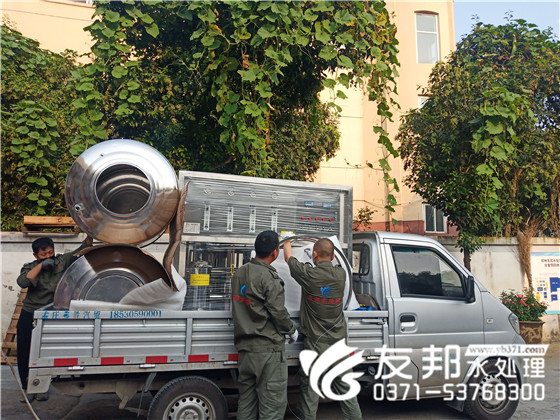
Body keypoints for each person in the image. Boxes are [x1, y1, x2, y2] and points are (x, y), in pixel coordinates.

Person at [284, 238, 362, 420]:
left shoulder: (309, 275)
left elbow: (288, 258)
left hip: (315, 343)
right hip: (338, 342)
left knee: (310, 390)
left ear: (314, 254)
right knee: (347, 390)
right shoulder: (341, 274)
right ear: (333, 256)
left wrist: (288, 239)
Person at [16, 235, 93, 401]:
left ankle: (41, 387)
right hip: (30, 314)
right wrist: (40, 266)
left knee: (46, 353)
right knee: (25, 352)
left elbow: (82, 249)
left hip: (51, 315)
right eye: (43, 254)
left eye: (50, 252)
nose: (48, 256)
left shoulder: (61, 261)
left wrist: (90, 233)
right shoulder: (30, 267)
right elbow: (22, 282)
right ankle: (27, 388)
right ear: (36, 255)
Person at [231, 230, 298, 420]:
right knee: (272, 408)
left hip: (245, 351)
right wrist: (292, 330)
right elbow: (278, 312)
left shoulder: (240, 273)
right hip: (268, 351)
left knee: (246, 404)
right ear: (275, 252)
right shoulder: (270, 278)